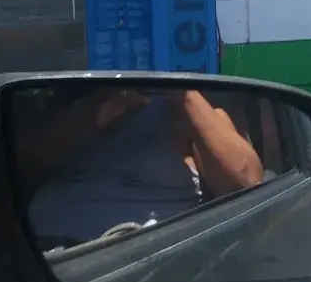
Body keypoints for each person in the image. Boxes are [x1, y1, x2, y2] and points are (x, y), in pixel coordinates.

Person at [14, 87, 265, 248]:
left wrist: (183, 91)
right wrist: (96, 111)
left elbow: (246, 186)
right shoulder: (75, 99)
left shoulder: (188, 113)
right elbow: (24, 162)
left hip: (136, 259)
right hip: (46, 251)